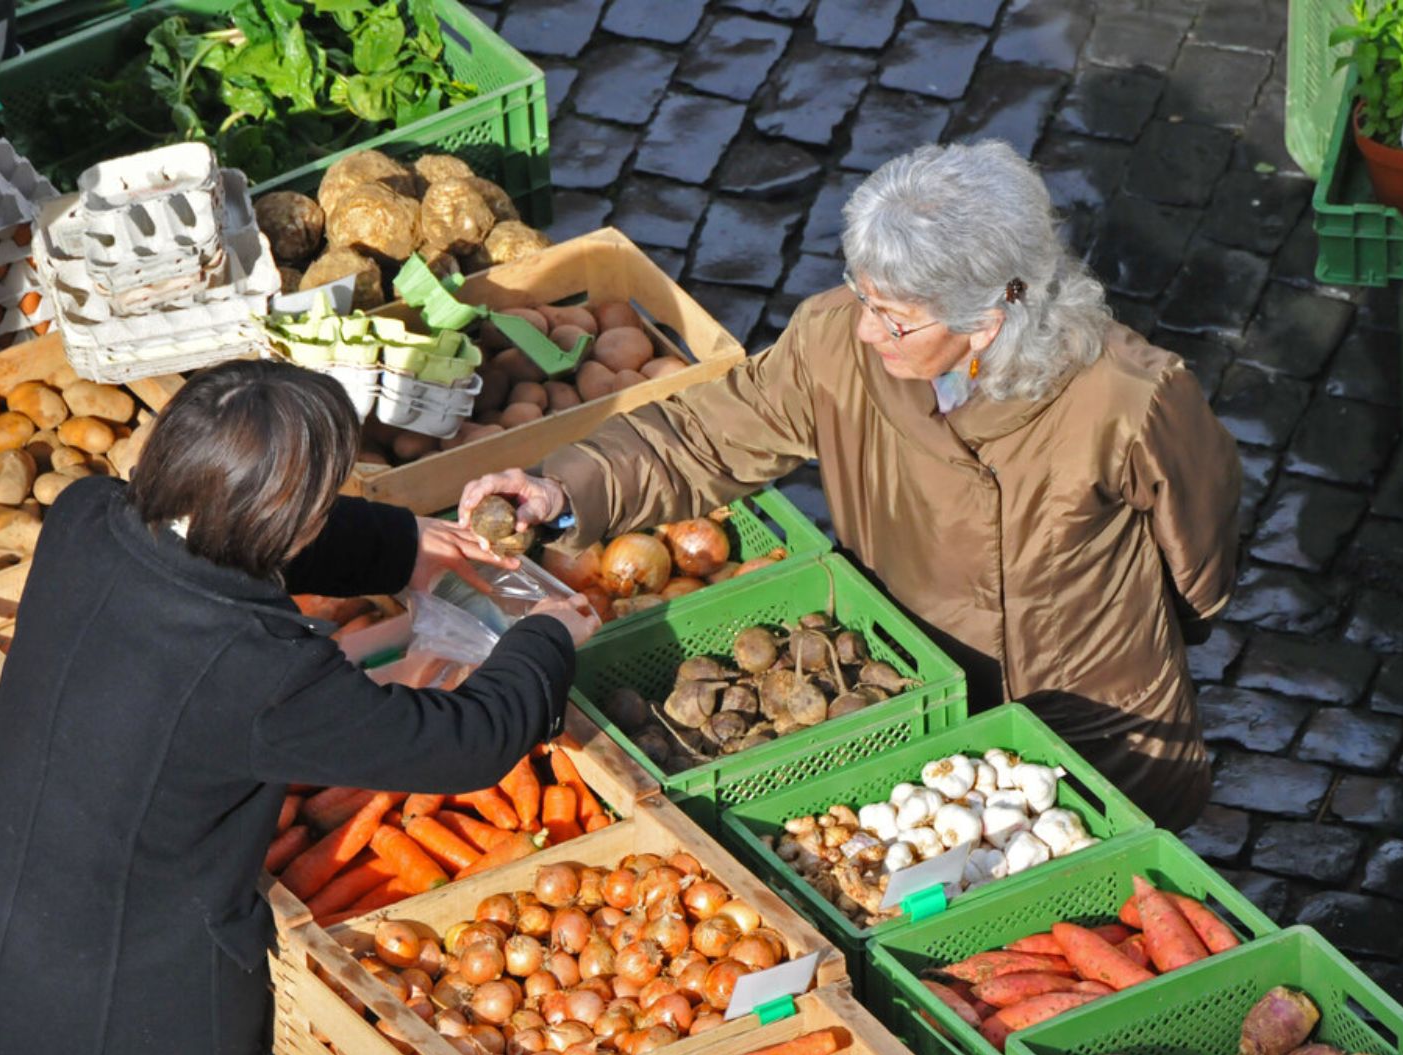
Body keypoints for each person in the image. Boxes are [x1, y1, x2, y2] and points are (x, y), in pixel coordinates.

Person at [0, 360, 599, 1055]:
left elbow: (222, 538)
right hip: (114, 1012)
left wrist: (402, 546)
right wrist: (545, 637)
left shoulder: (85, 519)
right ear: (290, 520)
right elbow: (460, 744)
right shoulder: (266, 672)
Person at [460, 140, 1241, 832]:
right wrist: (562, 490)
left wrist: (1146, 639)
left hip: (1092, 710)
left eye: (895, 318)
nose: (869, 329)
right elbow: (701, 435)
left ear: (990, 314)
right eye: (864, 297)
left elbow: (1199, 559)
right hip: (910, 687)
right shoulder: (839, 343)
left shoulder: (1129, 397)